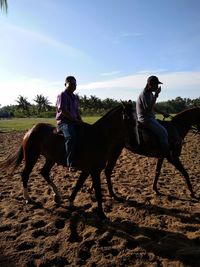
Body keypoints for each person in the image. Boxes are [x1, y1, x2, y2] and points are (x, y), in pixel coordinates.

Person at [136, 75, 171, 157]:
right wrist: (156, 95)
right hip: (145, 119)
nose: (157, 86)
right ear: (150, 84)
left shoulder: (149, 93)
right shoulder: (144, 95)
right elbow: (148, 110)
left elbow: (153, 107)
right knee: (163, 132)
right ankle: (165, 153)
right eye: (156, 84)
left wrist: (162, 113)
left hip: (150, 118)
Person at [56, 76, 82, 171]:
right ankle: (70, 163)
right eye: (71, 84)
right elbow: (63, 110)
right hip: (64, 122)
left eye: (75, 84)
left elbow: (77, 111)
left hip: (74, 121)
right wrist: (74, 120)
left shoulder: (74, 97)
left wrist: (81, 122)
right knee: (71, 136)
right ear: (65, 84)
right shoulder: (62, 95)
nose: (73, 86)